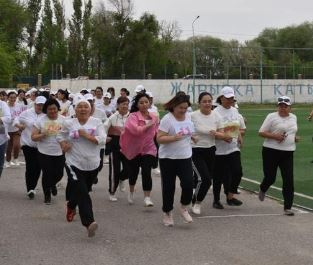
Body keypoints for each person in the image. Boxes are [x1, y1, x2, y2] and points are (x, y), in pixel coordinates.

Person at [57, 99, 106, 237]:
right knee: (83, 192)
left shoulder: (96, 122)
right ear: (75, 109)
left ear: (90, 110)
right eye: (80, 107)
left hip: (92, 163)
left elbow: (102, 139)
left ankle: (71, 206)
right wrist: (63, 144)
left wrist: (87, 136)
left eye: (86, 107)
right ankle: (89, 222)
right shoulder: (68, 123)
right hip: (74, 162)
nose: (83, 109)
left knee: (83, 191)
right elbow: (59, 135)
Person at [157, 93, 195, 226]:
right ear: (173, 107)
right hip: (168, 158)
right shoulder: (167, 119)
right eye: (181, 108)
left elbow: (188, 131)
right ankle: (167, 212)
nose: (183, 110)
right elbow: (159, 138)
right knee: (169, 187)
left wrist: (193, 137)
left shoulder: (189, 116)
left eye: (185, 108)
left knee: (188, 183)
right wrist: (173, 138)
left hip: (185, 156)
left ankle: (184, 207)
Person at [258, 96, 299, 216]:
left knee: (288, 180)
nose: (283, 108)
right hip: (271, 151)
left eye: (285, 106)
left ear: (290, 108)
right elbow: (261, 132)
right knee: (270, 178)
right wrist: (275, 136)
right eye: (280, 106)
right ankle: (263, 188)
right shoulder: (271, 116)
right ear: (278, 106)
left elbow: (292, 131)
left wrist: (294, 138)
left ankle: (287, 207)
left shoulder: (294, 117)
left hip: (288, 152)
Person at [120, 92, 158, 206]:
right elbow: (135, 130)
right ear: (137, 104)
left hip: (149, 148)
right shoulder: (132, 116)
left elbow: (157, 131)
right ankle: (131, 191)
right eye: (141, 102)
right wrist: (148, 125)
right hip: (134, 149)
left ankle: (147, 197)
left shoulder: (154, 116)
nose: (144, 104)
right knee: (134, 173)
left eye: (146, 102)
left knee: (146, 171)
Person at [190, 92, 225, 214]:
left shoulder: (216, 116)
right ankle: (197, 203)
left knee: (206, 178)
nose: (207, 103)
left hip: (211, 150)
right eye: (204, 101)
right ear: (199, 103)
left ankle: (194, 197)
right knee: (205, 179)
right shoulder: (192, 116)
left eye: (209, 101)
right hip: (195, 150)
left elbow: (223, 134)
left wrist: (216, 134)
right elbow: (184, 131)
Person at [213, 86, 244, 208]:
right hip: (218, 150)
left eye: (231, 98)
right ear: (221, 98)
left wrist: (240, 137)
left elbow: (237, 126)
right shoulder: (215, 113)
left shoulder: (235, 111)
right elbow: (213, 131)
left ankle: (230, 196)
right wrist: (223, 136)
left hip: (233, 147)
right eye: (227, 98)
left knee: (238, 172)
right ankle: (216, 200)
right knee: (218, 176)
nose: (230, 100)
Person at [31, 99, 65, 204]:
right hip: (44, 152)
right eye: (50, 109)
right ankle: (47, 195)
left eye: (54, 108)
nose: (52, 111)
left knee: (59, 174)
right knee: (47, 173)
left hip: (59, 151)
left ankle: (52, 185)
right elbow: (33, 137)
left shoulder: (64, 120)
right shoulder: (40, 120)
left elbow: (69, 134)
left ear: (58, 109)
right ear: (46, 109)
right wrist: (42, 134)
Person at [14, 96, 46, 199]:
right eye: (38, 104)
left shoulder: (46, 115)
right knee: (30, 166)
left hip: (41, 145)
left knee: (38, 167)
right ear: (35, 104)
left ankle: (33, 186)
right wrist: (19, 125)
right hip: (27, 144)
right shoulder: (27, 113)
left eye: (42, 105)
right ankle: (30, 189)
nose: (40, 107)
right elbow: (16, 119)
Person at [104, 96, 130, 201]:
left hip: (128, 146)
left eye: (127, 104)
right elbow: (103, 128)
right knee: (114, 169)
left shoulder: (132, 117)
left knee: (129, 169)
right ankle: (112, 192)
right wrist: (105, 137)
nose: (125, 106)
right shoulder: (112, 117)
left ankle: (121, 179)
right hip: (115, 145)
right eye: (122, 104)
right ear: (118, 105)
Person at [5, 91, 25, 167]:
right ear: (8, 97)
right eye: (11, 97)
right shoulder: (5, 106)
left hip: (16, 130)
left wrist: (21, 124)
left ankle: (16, 158)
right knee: (8, 147)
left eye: (14, 97)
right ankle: (7, 161)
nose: (13, 99)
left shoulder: (19, 106)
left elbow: (21, 116)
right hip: (7, 130)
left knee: (17, 145)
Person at [0, 100, 11, 178]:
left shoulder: (3, 104)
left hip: (1, 139)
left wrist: (0, 119)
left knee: (0, 164)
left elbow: (8, 118)